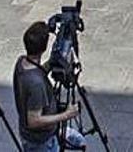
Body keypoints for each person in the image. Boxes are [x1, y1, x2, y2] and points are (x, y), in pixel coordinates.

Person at [13, 21, 83, 152]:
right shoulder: (37, 83)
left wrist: (51, 63)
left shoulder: (22, 62)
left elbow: (36, 72)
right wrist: (66, 115)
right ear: (44, 47)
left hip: (30, 137)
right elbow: (33, 120)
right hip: (41, 142)